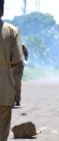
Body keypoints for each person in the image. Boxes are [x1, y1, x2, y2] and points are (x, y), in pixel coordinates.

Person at [0, 0, 23, 140]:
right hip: (4, 86)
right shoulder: (12, 30)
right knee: (2, 130)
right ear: (2, 10)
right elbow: (16, 61)